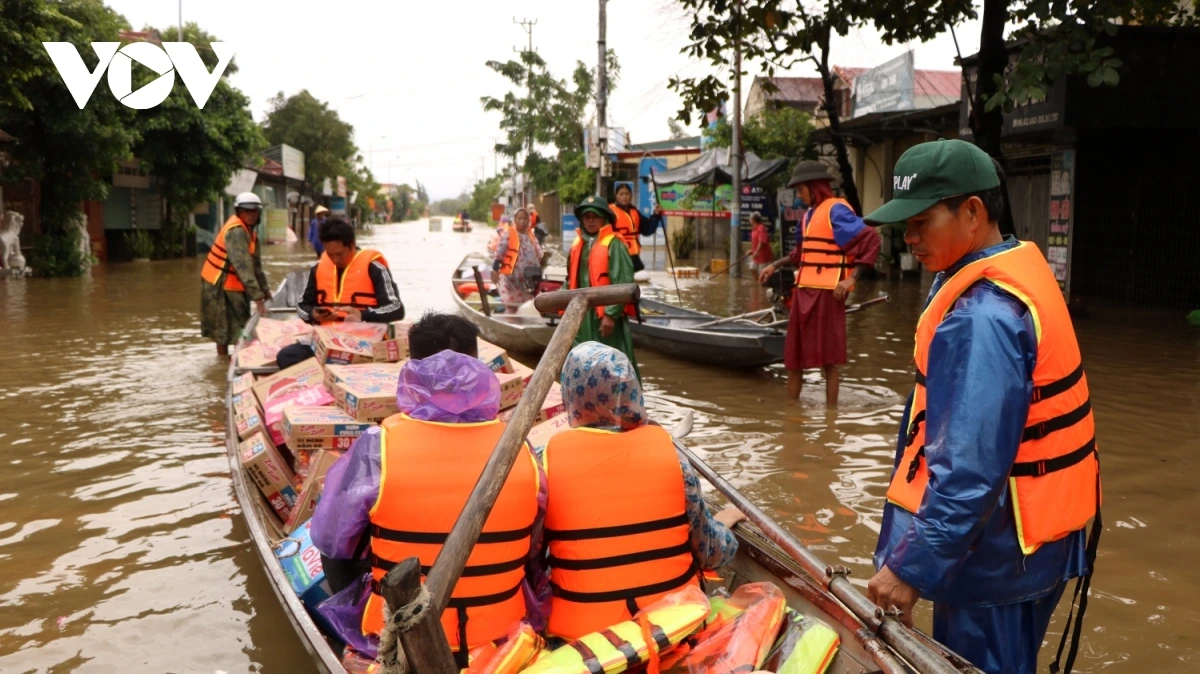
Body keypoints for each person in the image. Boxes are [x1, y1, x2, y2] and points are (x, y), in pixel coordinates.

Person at [862, 140, 1099, 674]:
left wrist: (911, 568)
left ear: (972, 211)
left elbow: (968, 472)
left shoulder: (981, 317)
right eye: (905, 225)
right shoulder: (1002, 273)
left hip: (993, 560)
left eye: (922, 221)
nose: (910, 238)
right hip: (1029, 546)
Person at [310, 312, 545, 663]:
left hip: (398, 635)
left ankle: (360, 641)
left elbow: (331, 540)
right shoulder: (522, 449)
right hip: (500, 632)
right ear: (478, 366)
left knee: (339, 534)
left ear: (413, 367)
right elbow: (535, 544)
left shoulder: (378, 446)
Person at [541, 342, 746, 639]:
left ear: (571, 396)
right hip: (673, 628)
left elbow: (533, 560)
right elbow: (710, 553)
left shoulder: (545, 463)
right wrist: (725, 525)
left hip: (586, 641)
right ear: (634, 391)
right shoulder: (674, 457)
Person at [757, 161, 880, 405]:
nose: (799, 195)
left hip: (828, 294)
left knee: (829, 362)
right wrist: (774, 265)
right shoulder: (808, 216)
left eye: (801, 189)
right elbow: (800, 253)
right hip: (803, 292)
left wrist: (850, 279)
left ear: (815, 187)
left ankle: (830, 422)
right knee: (793, 359)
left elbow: (871, 239)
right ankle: (791, 417)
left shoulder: (836, 211)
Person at [276, 217, 405, 368]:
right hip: (328, 342)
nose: (335, 259)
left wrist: (362, 314)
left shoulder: (374, 268)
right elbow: (302, 307)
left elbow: (397, 309)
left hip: (365, 344)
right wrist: (313, 315)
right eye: (330, 255)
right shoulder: (318, 269)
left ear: (352, 245)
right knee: (286, 356)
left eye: (340, 254)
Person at [566, 196, 641, 380]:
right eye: (587, 217)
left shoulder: (615, 244)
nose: (590, 221)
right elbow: (570, 281)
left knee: (613, 365)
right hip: (582, 316)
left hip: (605, 318)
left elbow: (623, 282)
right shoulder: (578, 245)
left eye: (595, 217)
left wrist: (611, 314)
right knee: (582, 362)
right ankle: (585, 403)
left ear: (604, 219)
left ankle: (623, 405)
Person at [200, 192, 271, 357]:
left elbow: (256, 266)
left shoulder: (251, 234)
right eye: (246, 212)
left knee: (239, 322)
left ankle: (237, 356)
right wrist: (258, 297)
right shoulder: (236, 231)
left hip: (233, 283)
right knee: (223, 326)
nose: (251, 215)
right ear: (239, 212)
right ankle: (224, 359)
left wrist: (265, 290)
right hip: (218, 282)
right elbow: (243, 266)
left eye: (254, 212)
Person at [491, 207, 543, 308]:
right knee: (513, 303)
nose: (522, 221)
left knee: (527, 303)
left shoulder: (530, 235)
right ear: (515, 220)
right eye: (519, 218)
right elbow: (499, 254)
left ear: (529, 220)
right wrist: (495, 270)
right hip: (512, 277)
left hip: (529, 277)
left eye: (525, 219)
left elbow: (539, 254)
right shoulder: (509, 234)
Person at [609, 183, 663, 273]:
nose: (624, 197)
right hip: (618, 254)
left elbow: (647, 230)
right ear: (616, 196)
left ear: (631, 195)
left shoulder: (635, 212)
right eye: (621, 194)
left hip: (634, 255)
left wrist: (656, 216)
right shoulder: (610, 213)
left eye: (627, 194)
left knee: (639, 277)